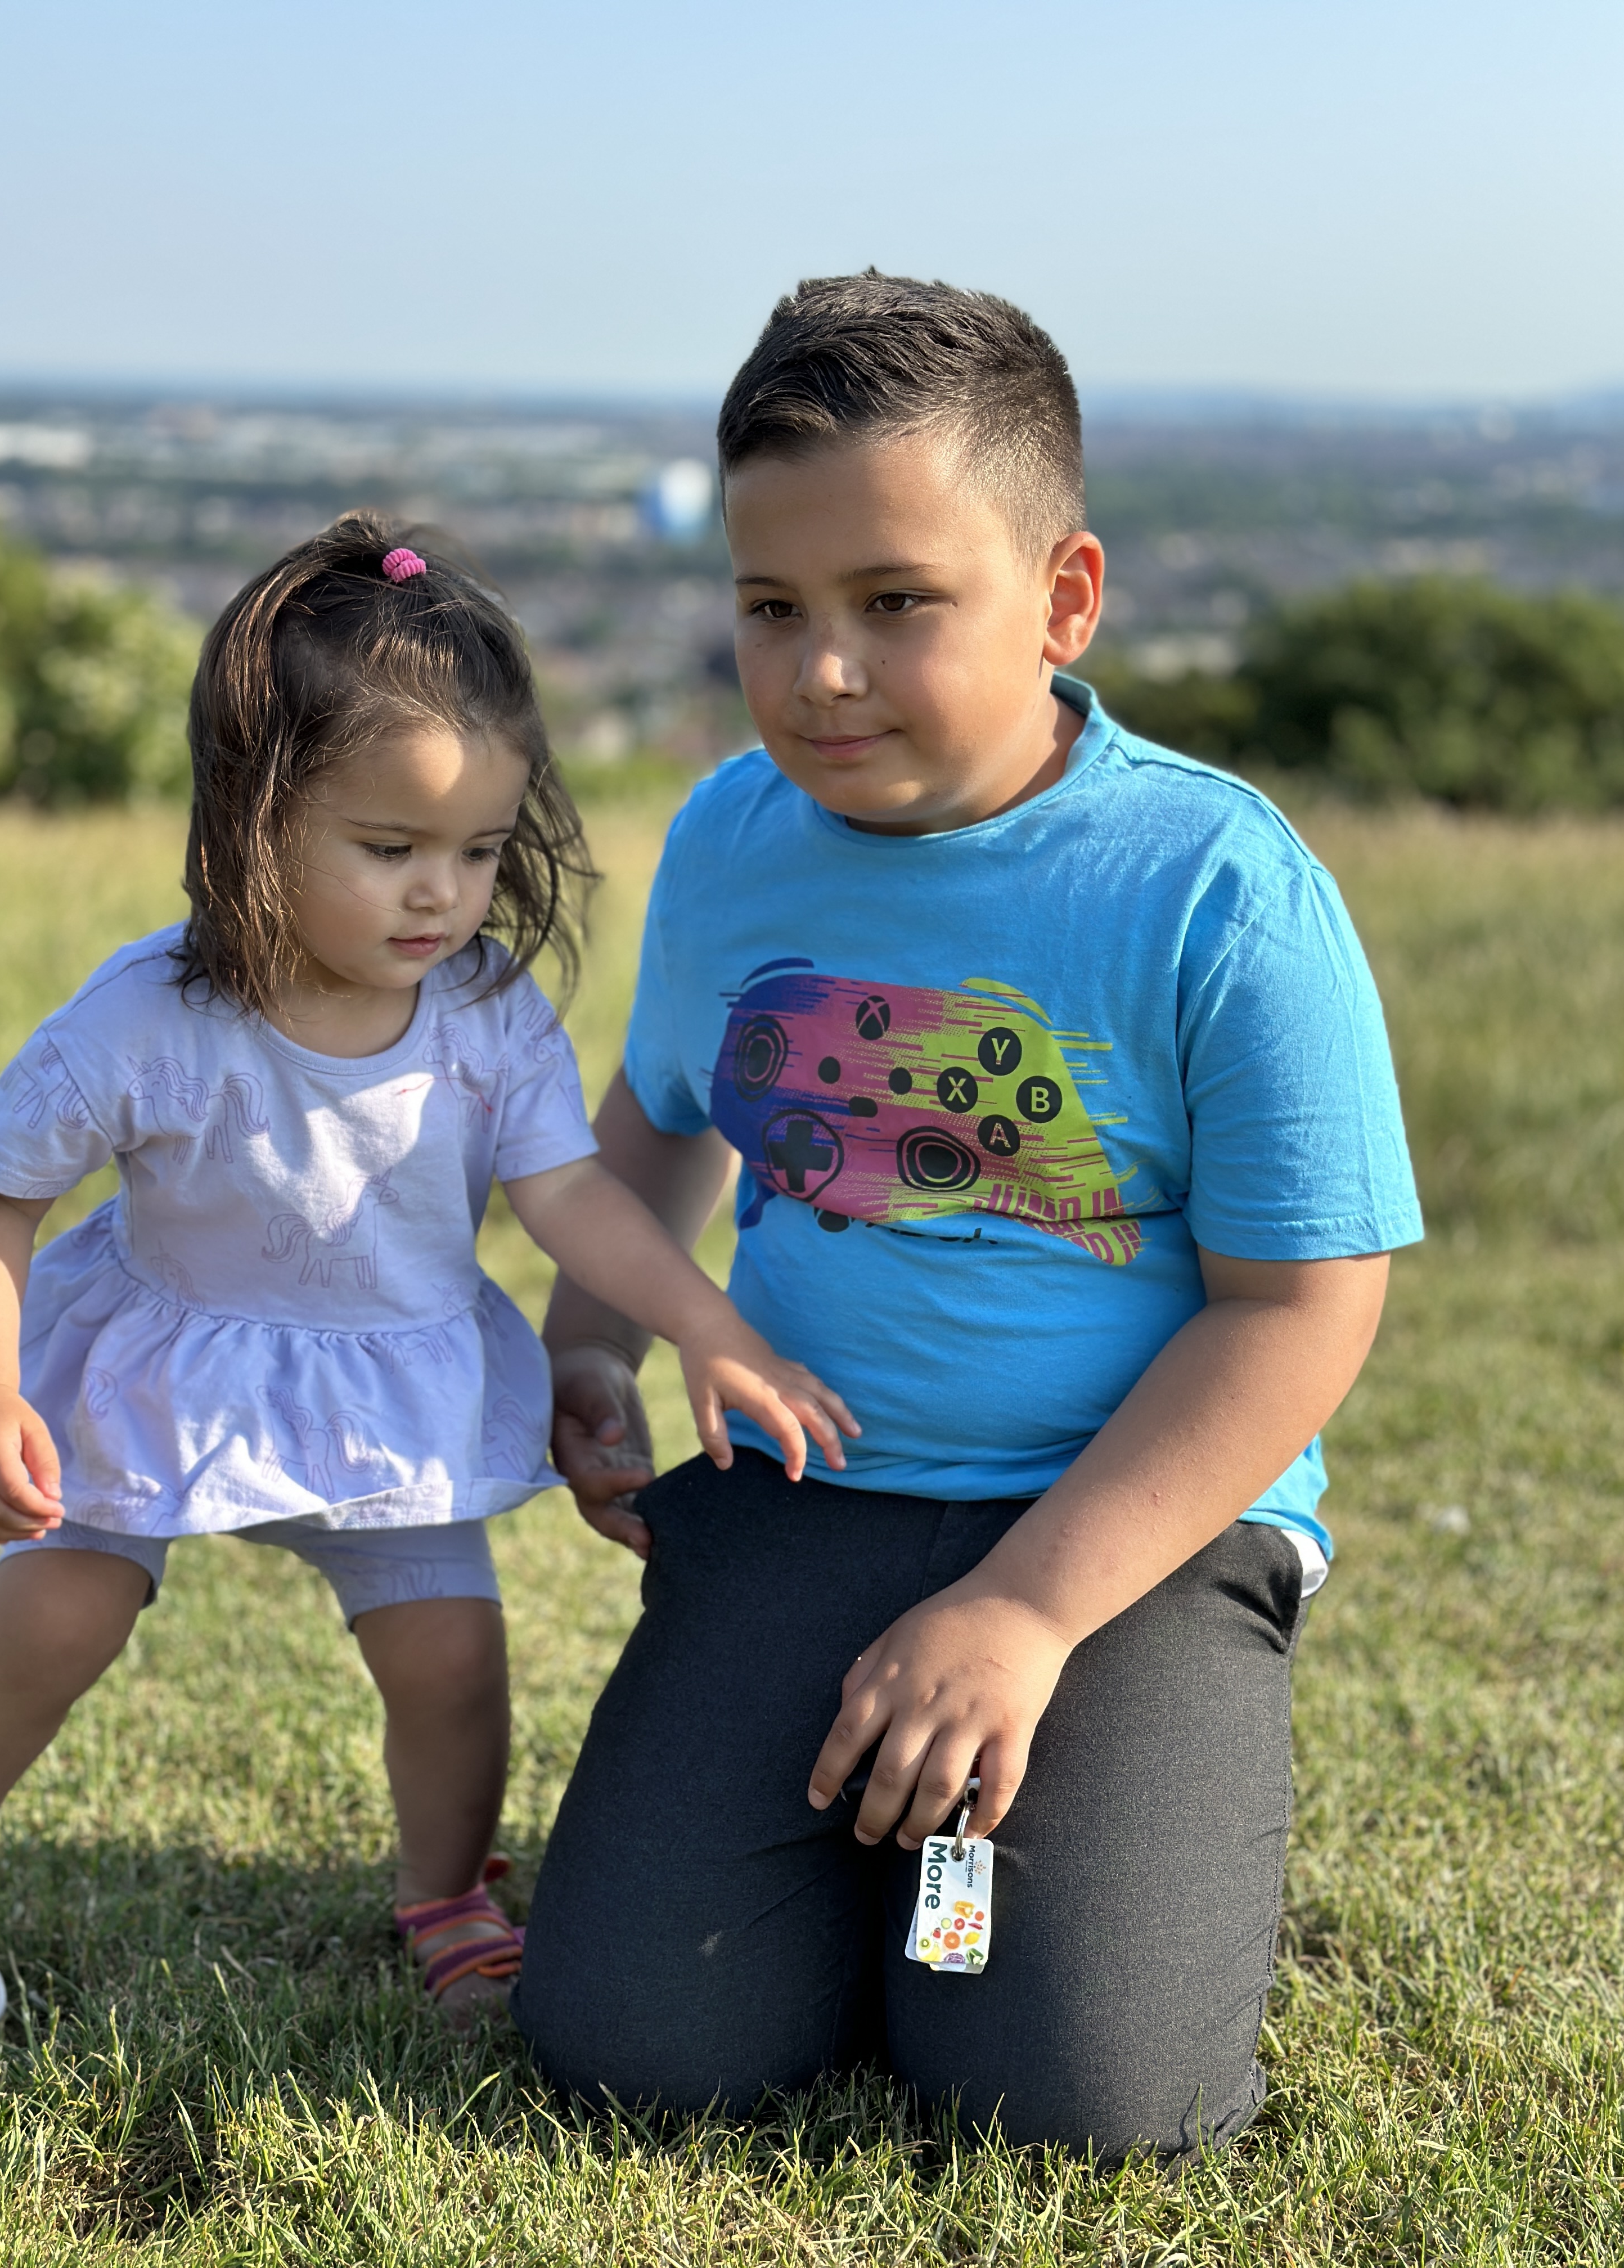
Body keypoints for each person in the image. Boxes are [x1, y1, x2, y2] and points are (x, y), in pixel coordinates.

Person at [512, 275, 1423, 2158]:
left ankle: (991, 1891)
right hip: (808, 1494)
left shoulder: (1217, 887)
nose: (821, 673)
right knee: (638, 2049)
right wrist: (591, 1341)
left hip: (1128, 1533)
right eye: (773, 608)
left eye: (896, 603)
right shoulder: (729, 838)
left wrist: (1022, 1609)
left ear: (1064, 599)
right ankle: (858, 1852)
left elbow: (1300, 1310)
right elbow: (667, 1121)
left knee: (1075, 2103)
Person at [0, 514, 854, 2037]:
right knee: (54, 1621)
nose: (440, 895)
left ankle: (446, 1894)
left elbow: (572, 1197)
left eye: (480, 850)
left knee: (452, 1661)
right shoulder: (149, 1017)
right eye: (390, 850)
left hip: (390, 1388)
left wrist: (708, 1329)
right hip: (159, 1369)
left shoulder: (487, 1015)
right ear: (253, 816)